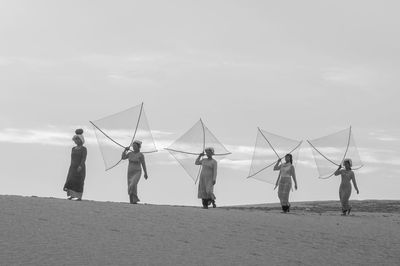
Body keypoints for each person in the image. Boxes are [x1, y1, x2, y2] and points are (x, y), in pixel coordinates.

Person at [63, 128, 87, 201]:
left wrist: (80, 166)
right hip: (72, 167)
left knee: (79, 181)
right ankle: (71, 195)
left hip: (80, 167)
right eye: (75, 139)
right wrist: (72, 166)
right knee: (70, 180)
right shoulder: (73, 148)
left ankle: (79, 197)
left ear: (81, 140)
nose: (76, 141)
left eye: (78, 139)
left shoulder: (84, 149)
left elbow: (84, 158)